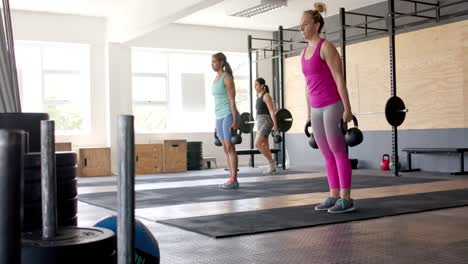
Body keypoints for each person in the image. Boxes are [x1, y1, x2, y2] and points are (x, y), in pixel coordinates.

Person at [300, 2, 355, 213]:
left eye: (305, 24)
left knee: (338, 151)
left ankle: (346, 198)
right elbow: (307, 86)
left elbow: (340, 79)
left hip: (332, 105)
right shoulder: (304, 53)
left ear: (316, 24)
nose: (302, 29)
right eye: (300, 25)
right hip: (316, 109)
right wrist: (307, 113)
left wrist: (347, 109)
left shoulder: (326, 47)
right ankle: (333, 195)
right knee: (326, 154)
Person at [211, 52, 240, 189]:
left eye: (214, 62)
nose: (212, 64)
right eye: (211, 62)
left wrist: (235, 120)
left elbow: (232, 100)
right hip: (219, 116)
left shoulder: (226, 78)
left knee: (230, 147)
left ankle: (234, 179)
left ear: (221, 62)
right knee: (224, 148)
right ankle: (230, 178)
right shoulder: (215, 79)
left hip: (228, 114)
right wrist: (216, 124)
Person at [254, 77, 279, 174]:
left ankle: (272, 162)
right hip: (260, 122)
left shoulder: (266, 96)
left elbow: (272, 111)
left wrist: (275, 125)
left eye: (257, 85)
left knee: (257, 144)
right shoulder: (258, 97)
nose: (255, 87)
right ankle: (272, 167)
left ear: (262, 85)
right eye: (255, 85)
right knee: (264, 145)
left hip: (267, 122)